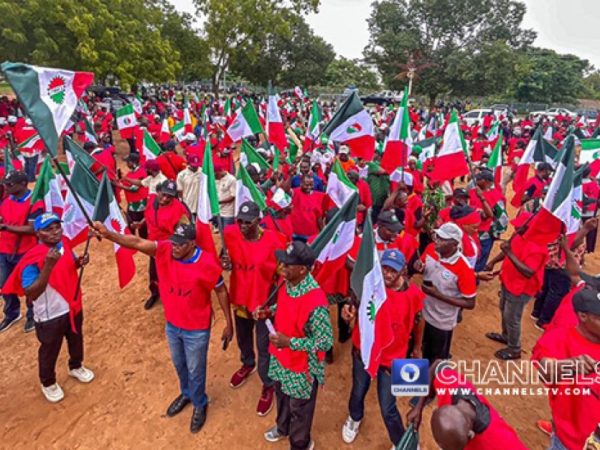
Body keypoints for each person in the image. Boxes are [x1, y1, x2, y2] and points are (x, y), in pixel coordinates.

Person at [93, 221, 233, 434]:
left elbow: (221, 291)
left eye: (180, 245)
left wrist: (228, 323)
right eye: (173, 243)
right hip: (173, 325)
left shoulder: (207, 262)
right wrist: (109, 234)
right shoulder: (165, 249)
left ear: (192, 244)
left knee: (196, 369)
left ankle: (199, 403)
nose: (174, 247)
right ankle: (186, 394)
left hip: (196, 329)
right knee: (179, 364)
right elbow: (137, 242)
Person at [2, 213, 95, 402]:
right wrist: (48, 266)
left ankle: (76, 366)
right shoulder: (32, 259)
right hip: (50, 313)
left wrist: (79, 262)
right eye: (48, 229)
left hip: (72, 304)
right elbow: (31, 292)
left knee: (76, 339)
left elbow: (68, 267)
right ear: (38, 234)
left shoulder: (65, 244)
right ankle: (48, 382)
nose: (54, 232)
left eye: (57, 227)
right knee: (50, 349)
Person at [340, 250, 425, 449]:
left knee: (388, 406)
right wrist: (348, 312)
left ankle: (401, 441)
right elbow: (354, 305)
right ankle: (354, 417)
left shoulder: (413, 294)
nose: (387, 274)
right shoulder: (370, 286)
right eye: (384, 268)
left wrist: (417, 349)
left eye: (392, 270)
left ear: (403, 270)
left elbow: (419, 320)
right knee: (358, 390)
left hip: (393, 358)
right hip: (364, 352)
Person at [256, 241, 333, 450]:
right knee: (281, 395)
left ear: (302, 269)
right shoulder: (287, 282)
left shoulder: (316, 301)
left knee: (299, 408)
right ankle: (282, 428)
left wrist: (289, 342)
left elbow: (325, 341)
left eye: (288, 264)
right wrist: (269, 311)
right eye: (283, 262)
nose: (282, 267)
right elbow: (284, 306)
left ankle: (300, 443)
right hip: (281, 358)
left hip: (302, 368)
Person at [222, 201, 287, 416]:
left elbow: (283, 276)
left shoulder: (274, 241)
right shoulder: (230, 234)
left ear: (258, 221)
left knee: (265, 346)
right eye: (239, 221)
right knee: (243, 338)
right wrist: (226, 262)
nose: (241, 226)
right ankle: (247, 363)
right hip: (240, 300)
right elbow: (226, 256)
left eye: (247, 222)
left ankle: (268, 383)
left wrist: (274, 306)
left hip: (263, 306)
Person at [532, 286, 600, 450]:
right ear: (583, 316)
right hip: (571, 442)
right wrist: (571, 365)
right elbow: (545, 371)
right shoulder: (558, 339)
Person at [408, 362, 528, 449]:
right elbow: (437, 366)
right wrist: (419, 407)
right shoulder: (450, 386)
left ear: (470, 436)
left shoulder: (502, 442)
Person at [485, 212, 549, 359]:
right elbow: (508, 248)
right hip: (508, 280)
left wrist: (509, 253)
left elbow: (529, 272)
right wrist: (493, 262)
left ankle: (515, 348)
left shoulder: (538, 247)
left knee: (513, 317)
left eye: (520, 226)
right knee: (503, 309)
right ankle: (506, 336)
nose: (517, 228)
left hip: (521, 288)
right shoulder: (519, 236)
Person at [415, 222, 477, 364]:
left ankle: (428, 386)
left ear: (454, 244)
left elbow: (470, 303)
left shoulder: (464, 269)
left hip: (441, 322)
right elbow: (423, 266)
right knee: (416, 352)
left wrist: (437, 295)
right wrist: (419, 267)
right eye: (438, 236)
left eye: (442, 239)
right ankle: (411, 385)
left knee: (433, 361)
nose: (437, 240)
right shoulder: (431, 249)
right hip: (421, 315)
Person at [0, 170, 43, 333]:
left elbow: (33, 229)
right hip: (4, 249)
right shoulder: (6, 201)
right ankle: (11, 313)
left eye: (10, 184)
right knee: (4, 285)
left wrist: (6, 227)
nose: (6, 187)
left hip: (26, 251)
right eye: (6, 183)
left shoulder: (35, 203)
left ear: (23, 184)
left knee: (29, 284)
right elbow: (4, 218)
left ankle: (33, 314)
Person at [142, 180, 191, 310]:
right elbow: (147, 215)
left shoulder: (179, 209)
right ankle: (155, 293)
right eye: (163, 194)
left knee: (172, 273)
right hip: (152, 245)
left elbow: (184, 231)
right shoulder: (151, 201)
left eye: (169, 196)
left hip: (169, 247)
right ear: (158, 191)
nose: (165, 198)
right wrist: (140, 224)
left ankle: (177, 297)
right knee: (153, 272)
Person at [116, 153, 149, 238]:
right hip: (131, 204)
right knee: (131, 225)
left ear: (133, 162)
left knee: (142, 227)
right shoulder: (130, 173)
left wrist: (116, 184)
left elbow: (134, 189)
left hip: (140, 204)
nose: (127, 164)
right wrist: (119, 179)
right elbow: (125, 183)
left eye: (128, 162)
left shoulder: (142, 172)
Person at [289, 174, 326, 240]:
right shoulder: (294, 192)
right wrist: (290, 175)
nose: (309, 187)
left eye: (311, 185)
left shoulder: (319, 196)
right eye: (306, 185)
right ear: (301, 184)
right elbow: (284, 191)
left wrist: (323, 233)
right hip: (294, 234)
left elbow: (319, 218)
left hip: (310, 236)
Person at [176, 154, 201, 219]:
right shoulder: (182, 175)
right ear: (188, 163)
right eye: (193, 165)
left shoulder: (202, 172)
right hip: (188, 205)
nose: (195, 167)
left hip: (201, 206)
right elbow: (179, 191)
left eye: (197, 165)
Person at [215, 164, 236, 228]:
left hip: (228, 213)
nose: (215, 176)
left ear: (220, 171)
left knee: (228, 233)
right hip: (218, 211)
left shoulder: (231, 179)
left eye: (216, 174)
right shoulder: (215, 179)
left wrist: (219, 202)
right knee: (221, 233)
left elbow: (233, 196)